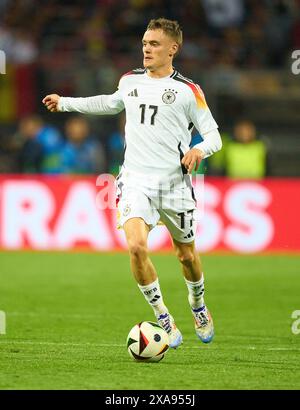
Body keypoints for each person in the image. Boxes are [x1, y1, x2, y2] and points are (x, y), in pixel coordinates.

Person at [42, 18, 222, 348]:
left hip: (174, 186)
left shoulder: (188, 90)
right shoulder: (129, 81)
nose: (146, 49)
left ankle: (198, 305)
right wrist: (66, 102)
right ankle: (164, 318)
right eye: (144, 43)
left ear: (173, 49)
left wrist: (199, 148)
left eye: (154, 44)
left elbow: (213, 135)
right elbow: (110, 103)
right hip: (135, 180)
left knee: (186, 256)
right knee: (136, 246)